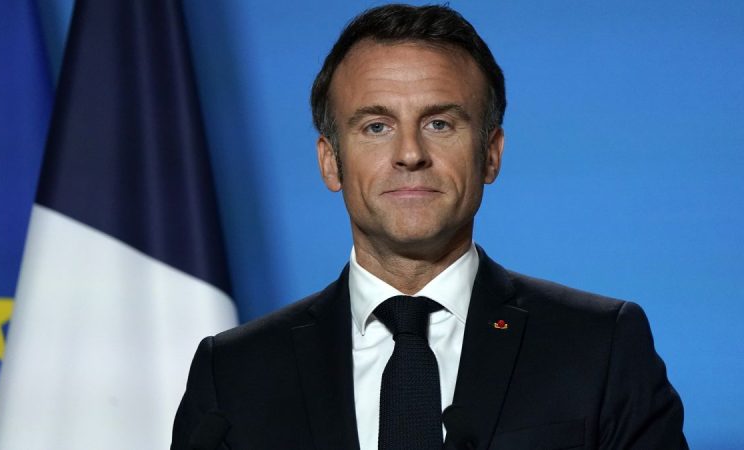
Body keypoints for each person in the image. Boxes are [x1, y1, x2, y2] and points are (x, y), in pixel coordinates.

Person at [171, 4, 686, 449]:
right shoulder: (235, 372)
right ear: (330, 162)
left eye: (440, 123)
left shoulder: (599, 346)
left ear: (490, 154)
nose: (410, 154)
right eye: (376, 127)